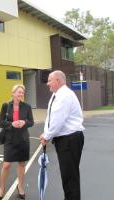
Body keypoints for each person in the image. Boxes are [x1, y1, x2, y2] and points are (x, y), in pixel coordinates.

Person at [40, 70, 85, 200]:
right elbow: (51, 117)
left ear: (58, 81)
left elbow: (58, 120)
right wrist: (46, 133)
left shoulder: (64, 95)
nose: (47, 83)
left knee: (70, 177)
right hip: (66, 139)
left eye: (50, 80)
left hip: (69, 140)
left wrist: (46, 136)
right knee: (68, 176)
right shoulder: (58, 95)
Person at [0, 84, 34, 200]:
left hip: (23, 139)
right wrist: (11, 124)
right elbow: (0, 122)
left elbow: (31, 122)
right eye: (18, 92)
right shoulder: (6, 105)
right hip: (10, 139)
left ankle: (20, 187)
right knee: (6, 165)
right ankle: (1, 189)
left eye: (22, 92)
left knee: (22, 164)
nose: (20, 94)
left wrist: (24, 123)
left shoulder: (27, 106)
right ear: (13, 93)